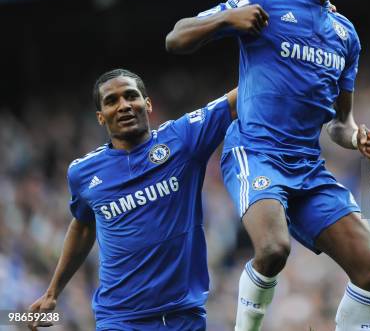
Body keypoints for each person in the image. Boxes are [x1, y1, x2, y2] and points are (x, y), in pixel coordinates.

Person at [166, 0, 370, 331]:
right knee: (272, 249)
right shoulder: (262, 2)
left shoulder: (345, 35)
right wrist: (225, 21)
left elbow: (340, 122)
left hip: (307, 166)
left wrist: (357, 136)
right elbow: (176, 37)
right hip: (256, 151)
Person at [28, 69, 237, 330]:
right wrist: (52, 292)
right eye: (112, 101)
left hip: (184, 316)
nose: (124, 105)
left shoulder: (182, 140)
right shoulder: (83, 173)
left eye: (131, 96)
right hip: (119, 319)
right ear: (100, 117)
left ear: (147, 104)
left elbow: (238, 99)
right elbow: (82, 225)